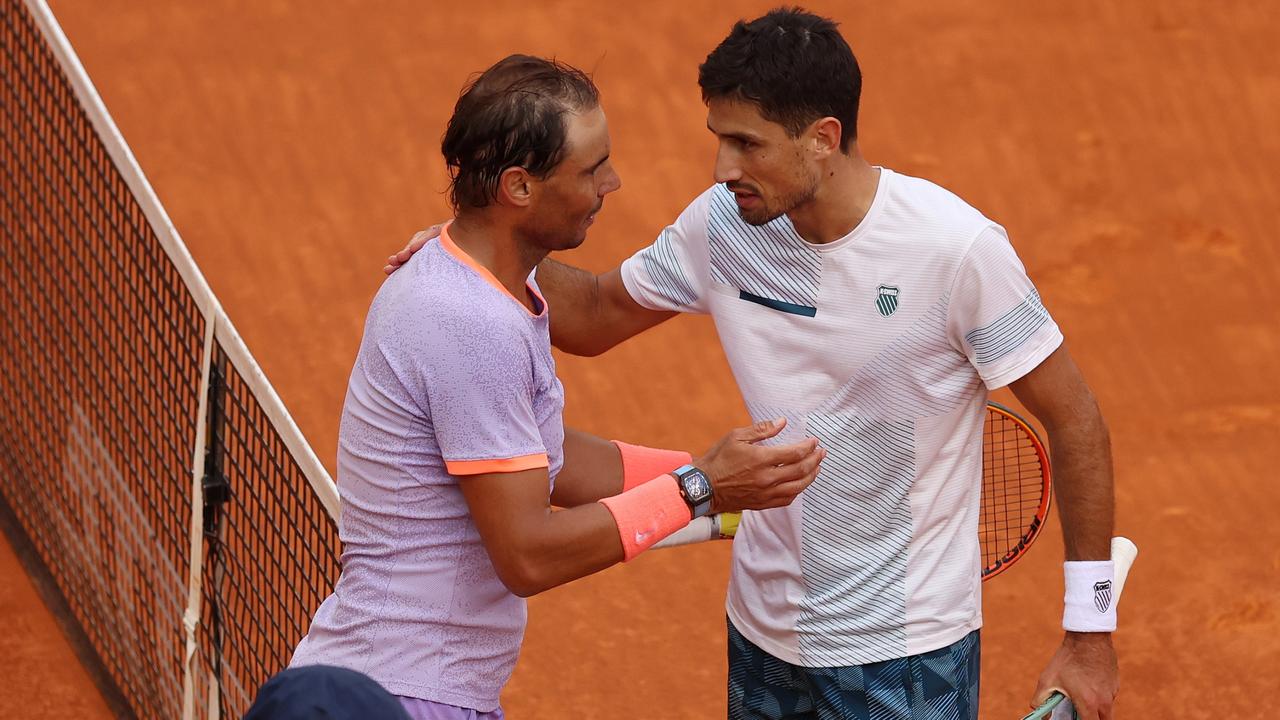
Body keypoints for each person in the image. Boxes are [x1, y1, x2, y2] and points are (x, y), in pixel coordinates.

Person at [387, 8, 1120, 720]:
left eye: (747, 144)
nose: (722, 167)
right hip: (762, 635)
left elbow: (1074, 417)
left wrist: (1089, 638)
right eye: (719, 139)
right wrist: (483, 252)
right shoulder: (724, 225)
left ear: (823, 139)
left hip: (903, 649)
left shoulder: (956, 251)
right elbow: (595, 312)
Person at [288, 54, 826, 720]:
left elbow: (544, 457)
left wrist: (742, 492)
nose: (613, 183)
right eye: (592, 169)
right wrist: (701, 490)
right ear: (518, 187)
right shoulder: (467, 321)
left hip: (412, 684)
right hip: (397, 697)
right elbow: (526, 555)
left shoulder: (488, 286)